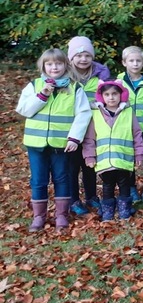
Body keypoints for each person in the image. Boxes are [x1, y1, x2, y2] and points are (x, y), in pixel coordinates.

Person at [17, 48, 91, 232]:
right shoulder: (34, 85)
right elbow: (24, 110)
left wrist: (74, 138)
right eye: (49, 64)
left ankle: (61, 216)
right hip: (36, 143)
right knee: (38, 180)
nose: (54, 67)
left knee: (62, 179)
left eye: (58, 63)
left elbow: (83, 113)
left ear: (65, 65)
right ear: (43, 66)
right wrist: (42, 95)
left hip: (62, 144)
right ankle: (39, 217)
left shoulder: (75, 88)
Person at [83, 80, 143, 221]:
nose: (111, 97)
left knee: (124, 184)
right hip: (105, 160)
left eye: (114, 94)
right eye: (107, 94)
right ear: (101, 96)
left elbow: (136, 134)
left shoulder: (128, 112)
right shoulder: (96, 114)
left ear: (121, 95)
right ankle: (108, 211)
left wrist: (139, 154)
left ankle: (124, 210)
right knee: (107, 185)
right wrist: (89, 156)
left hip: (124, 158)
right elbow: (90, 137)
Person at [67, 36, 111, 215]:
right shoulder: (65, 77)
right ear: (71, 57)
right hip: (71, 128)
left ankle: (92, 196)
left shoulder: (101, 76)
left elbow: (108, 98)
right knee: (72, 166)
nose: (83, 59)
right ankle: (73, 200)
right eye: (79, 56)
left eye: (87, 55)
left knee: (90, 164)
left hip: (94, 127)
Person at [118, 46, 143, 203]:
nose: (135, 64)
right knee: (128, 160)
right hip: (125, 130)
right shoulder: (119, 82)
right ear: (124, 62)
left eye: (138, 61)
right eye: (131, 61)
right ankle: (131, 189)